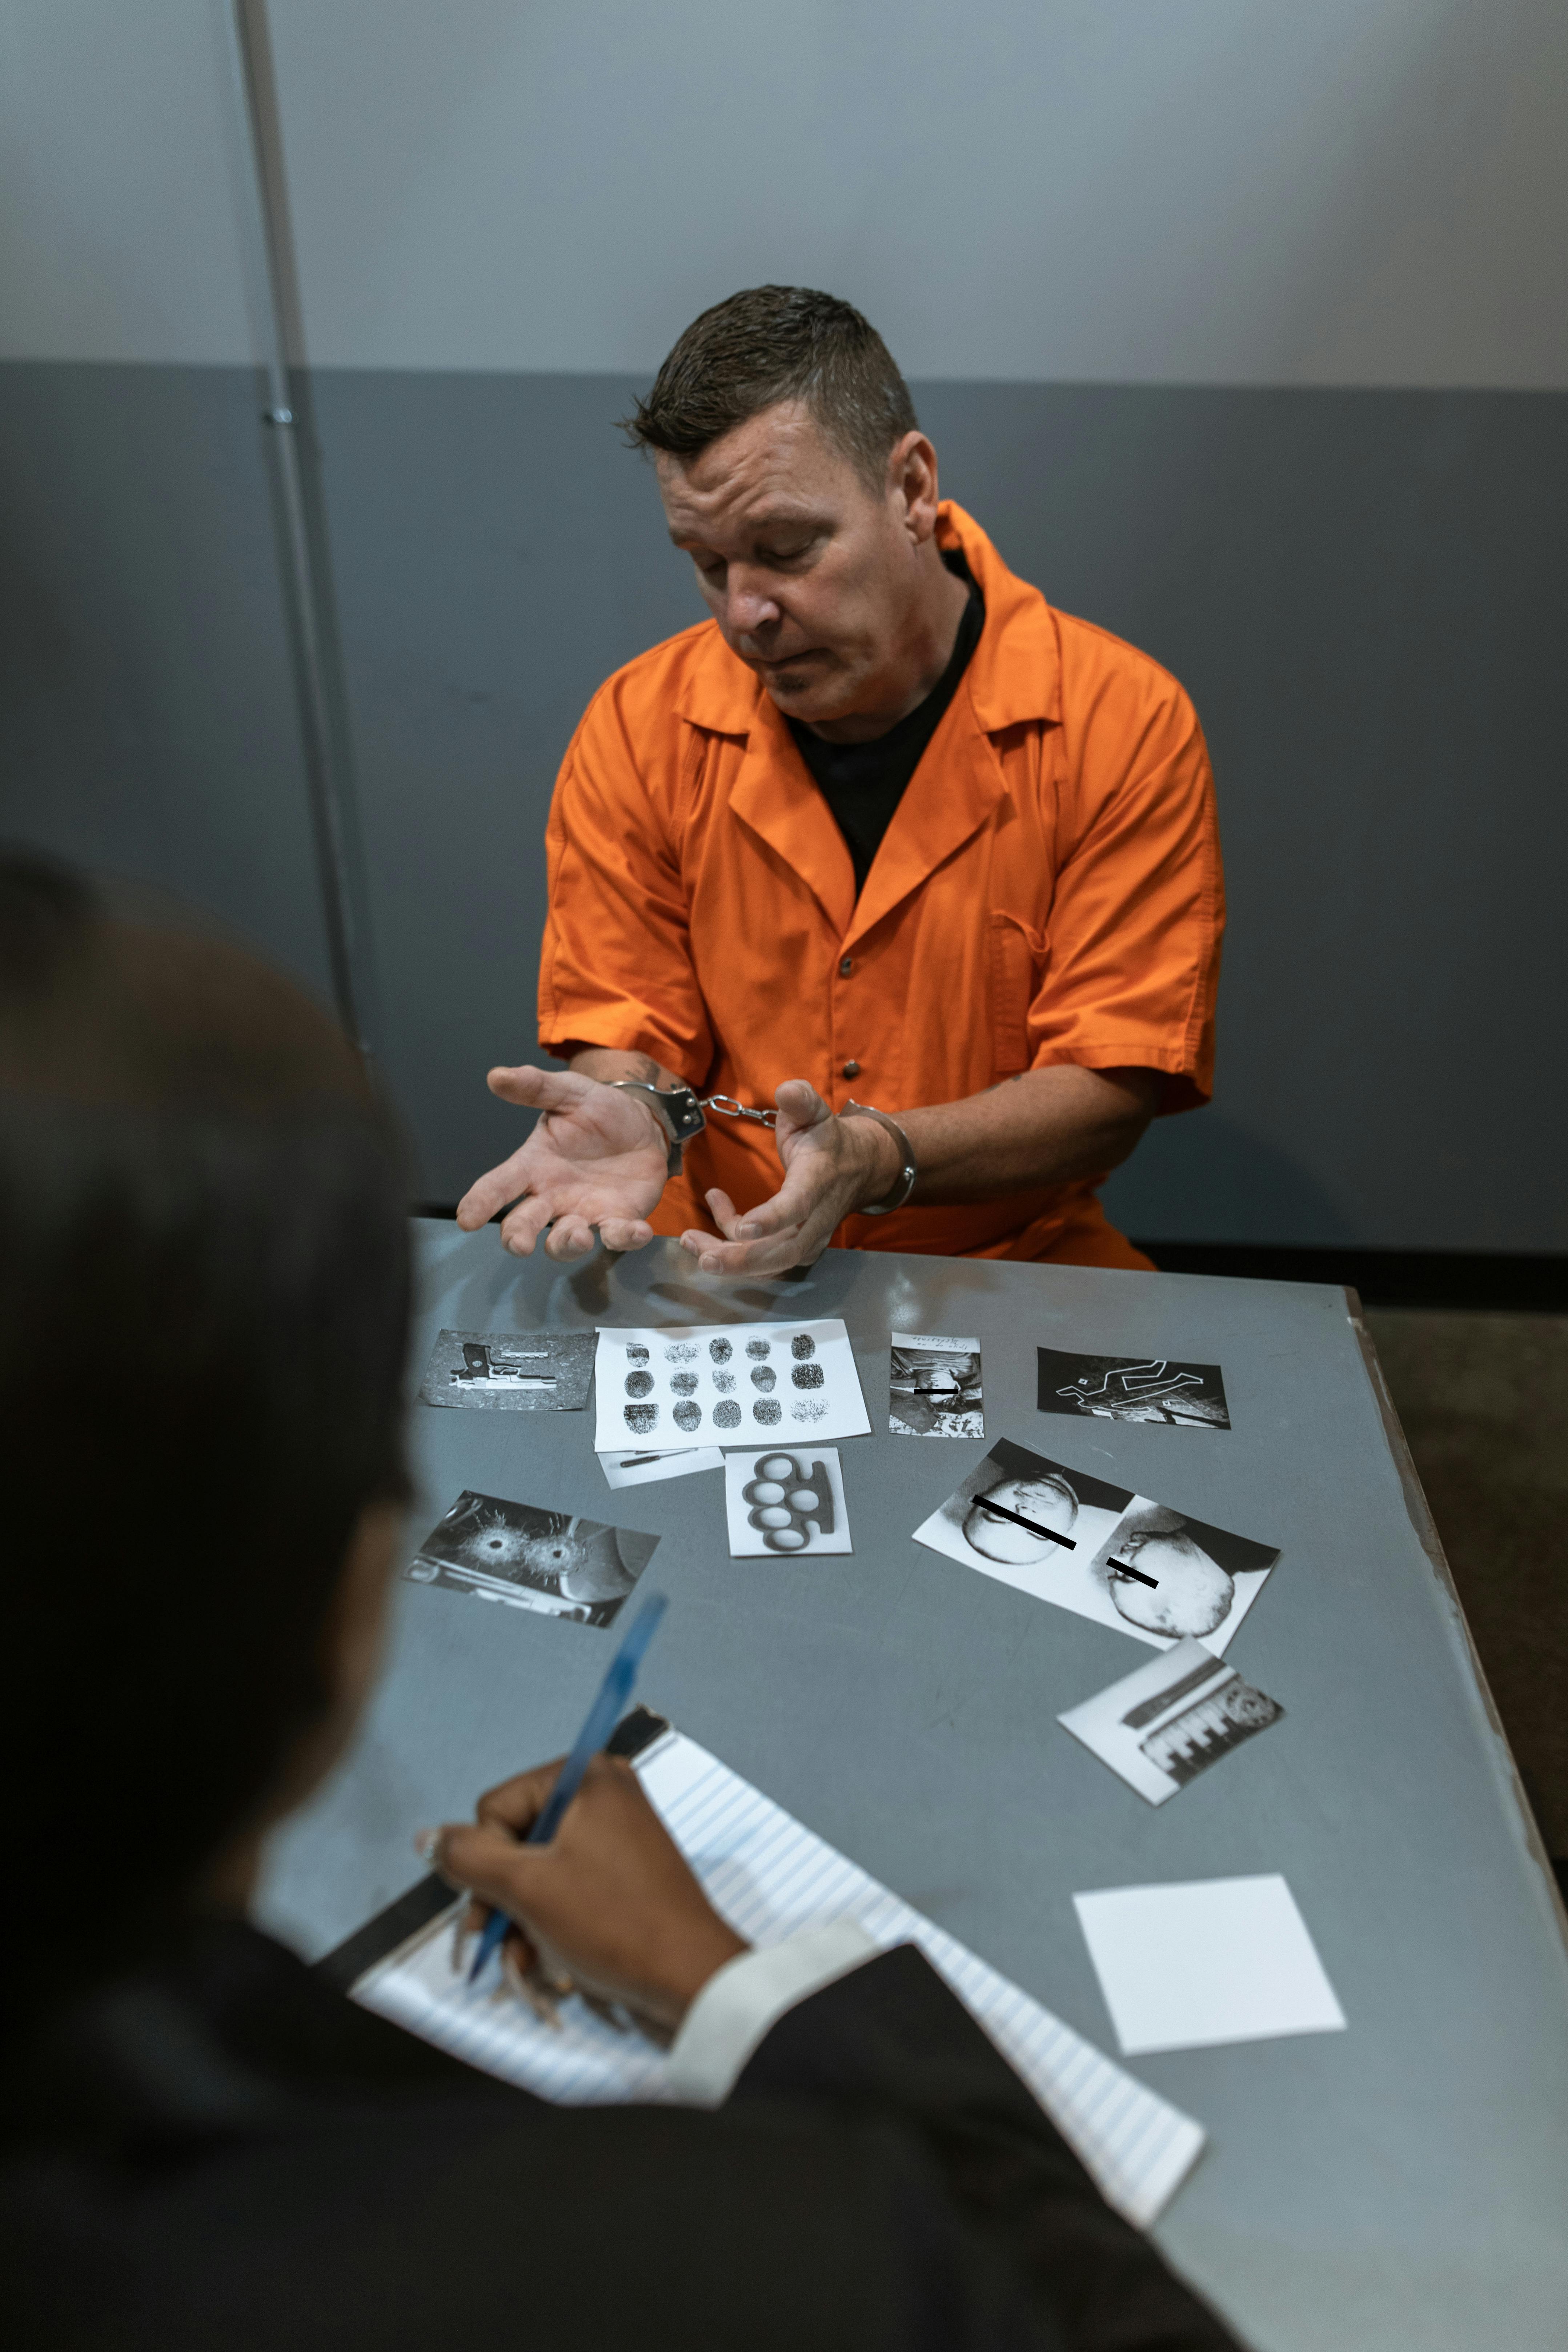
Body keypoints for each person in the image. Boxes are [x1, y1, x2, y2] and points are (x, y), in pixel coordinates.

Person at [0, 852, 1242, 2350]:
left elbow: (1116, 1074)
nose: (752, 605)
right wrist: (733, 1990)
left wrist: (794, 1143)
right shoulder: (759, 2262)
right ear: (341, 1600)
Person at [458, 285, 1223, 1278]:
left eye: (784, 551)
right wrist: (633, 1106)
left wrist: (873, 1158)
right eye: (705, 562)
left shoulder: (1120, 723)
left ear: (910, 490)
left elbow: (1108, 1086)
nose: (745, 615)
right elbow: (625, 1023)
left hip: (1007, 1252)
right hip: (715, 1241)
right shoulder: (639, 725)